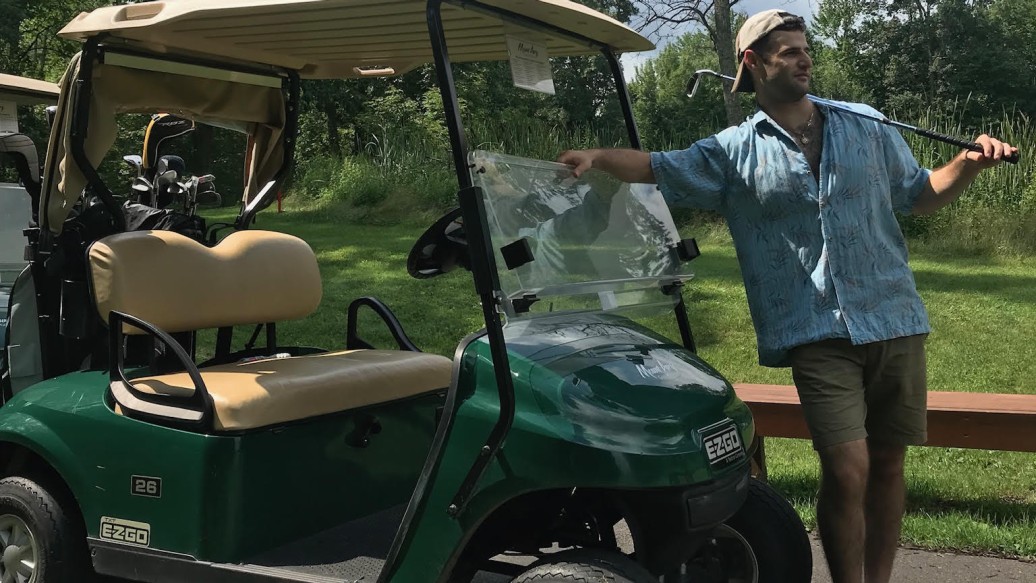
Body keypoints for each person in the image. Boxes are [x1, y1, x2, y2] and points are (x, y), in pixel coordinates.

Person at [557, 9, 1017, 583]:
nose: (805, 59)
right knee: (847, 467)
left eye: (806, 49)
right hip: (812, 328)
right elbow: (655, 166)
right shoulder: (732, 151)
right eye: (789, 51)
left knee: (889, 464)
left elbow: (919, 194)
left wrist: (967, 165)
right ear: (753, 62)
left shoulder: (865, 123)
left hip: (893, 315)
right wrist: (599, 158)